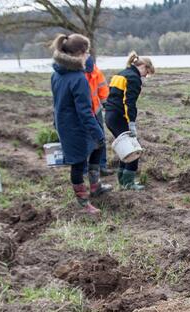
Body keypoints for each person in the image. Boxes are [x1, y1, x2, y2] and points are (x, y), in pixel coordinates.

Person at [50, 33, 109, 214]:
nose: (88, 56)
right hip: (75, 127)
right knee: (78, 162)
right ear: (79, 54)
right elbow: (85, 112)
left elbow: (56, 103)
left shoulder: (57, 74)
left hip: (65, 124)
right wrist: (98, 132)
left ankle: (95, 186)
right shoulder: (78, 78)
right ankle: (83, 204)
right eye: (86, 53)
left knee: (97, 149)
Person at [103, 51, 154, 190]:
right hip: (119, 117)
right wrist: (131, 123)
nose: (145, 76)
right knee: (133, 149)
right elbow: (129, 103)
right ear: (143, 66)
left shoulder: (121, 74)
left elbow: (111, 96)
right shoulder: (133, 78)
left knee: (125, 149)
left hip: (110, 116)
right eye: (147, 72)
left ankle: (122, 180)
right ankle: (129, 183)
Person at [84, 54, 112, 176]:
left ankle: (102, 166)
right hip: (83, 112)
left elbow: (103, 89)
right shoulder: (75, 72)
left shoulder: (96, 71)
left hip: (95, 110)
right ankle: (84, 169)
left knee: (100, 138)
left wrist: (107, 105)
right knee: (84, 139)